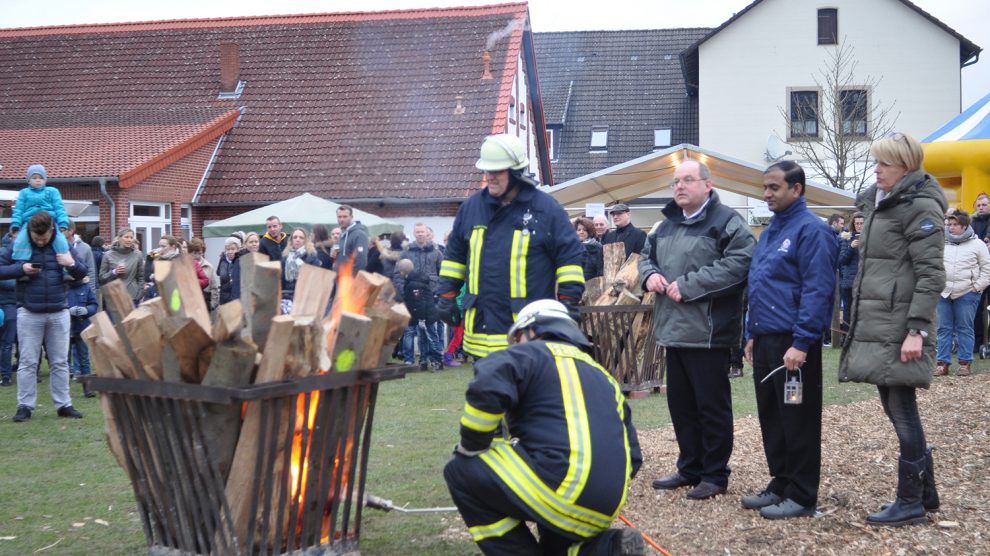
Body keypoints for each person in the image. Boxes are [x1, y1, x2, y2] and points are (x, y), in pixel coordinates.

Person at [443, 299, 643, 556]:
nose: (516, 345)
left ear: (532, 330)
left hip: (561, 489)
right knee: (555, 536)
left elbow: (487, 386)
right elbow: (634, 457)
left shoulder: (530, 353)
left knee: (460, 471)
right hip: (606, 505)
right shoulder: (604, 377)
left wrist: (471, 445)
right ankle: (607, 547)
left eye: (517, 338)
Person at [838, 132, 946, 527]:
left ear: (905, 166)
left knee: (902, 411)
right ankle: (925, 494)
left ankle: (910, 501)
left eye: (884, 163)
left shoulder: (919, 207)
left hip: (901, 326)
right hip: (883, 323)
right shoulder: (885, 202)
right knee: (896, 407)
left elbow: (931, 274)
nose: (876, 170)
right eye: (876, 162)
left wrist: (916, 329)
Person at [639, 158, 755, 500]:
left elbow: (740, 263)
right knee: (682, 406)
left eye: (687, 180)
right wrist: (650, 275)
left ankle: (715, 473)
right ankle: (689, 467)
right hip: (672, 329)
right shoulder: (664, 225)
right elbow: (646, 256)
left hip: (708, 332)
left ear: (707, 184)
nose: (679, 187)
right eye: (676, 181)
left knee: (711, 407)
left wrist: (689, 285)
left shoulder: (728, 222)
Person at [741, 161, 837, 519]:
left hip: (793, 343)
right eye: (765, 188)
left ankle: (802, 493)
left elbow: (817, 290)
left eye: (774, 188)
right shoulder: (769, 231)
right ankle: (780, 481)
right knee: (772, 415)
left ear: (796, 189)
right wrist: (752, 333)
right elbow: (760, 282)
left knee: (798, 417)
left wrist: (802, 342)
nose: (767, 194)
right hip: (766, 339)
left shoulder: (813, 231)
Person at [437, 133, 585, 357]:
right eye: (486, 171)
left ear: (516, 173)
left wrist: (568, 302)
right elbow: (454, 259)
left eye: (496, 171)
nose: (489, 177)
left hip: (528, 332)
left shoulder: (546, 210)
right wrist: (447, 296)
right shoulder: (471, 208)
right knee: (485, 391)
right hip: (480, 331)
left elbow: (570, 260)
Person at [1, 212, 88, 422]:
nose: (40, 241)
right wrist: (20, 268)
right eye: (36, 238)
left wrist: (71, 264)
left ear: (52, 231)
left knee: (59, 362)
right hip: (29, 311)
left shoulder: (62, 244)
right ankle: (25, 406)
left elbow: (83, 272)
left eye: (44, 237)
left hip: (59, 310)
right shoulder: (19, 245)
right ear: (29, 232)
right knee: (27, 362)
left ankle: (64, 404)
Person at [935, 210, 990, 377]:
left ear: (964, 226)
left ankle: (965, 363)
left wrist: (977, 287)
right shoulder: (941, 243)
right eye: (949, 224)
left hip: (967, 292)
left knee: (965, 328)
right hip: (943, 292)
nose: (950, 227)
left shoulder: (978, 244)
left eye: (954, 224)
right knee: (943, 329)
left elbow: (987, 268)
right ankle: (942, 363)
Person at [395, 223, 444, 365]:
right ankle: (409, 360)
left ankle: (431, 358)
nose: (420, 234)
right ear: (414, 233)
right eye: (418, 232)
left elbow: (444, 273)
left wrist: (438, 290)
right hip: (411, 297)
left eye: (422, 232)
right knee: (410, 329)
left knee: (430, 329)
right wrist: (403, 292)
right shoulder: (406, 252)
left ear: (426, 233)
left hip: (430, 296)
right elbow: (398, 274)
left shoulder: (436, 253)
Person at [10, 165, 71, 265]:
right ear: (28, 180)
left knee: (61, 241)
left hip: (49, 222)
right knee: (20, 241)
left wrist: (63, 223)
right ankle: (21, 264)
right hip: (30, 223)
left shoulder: (52, 191)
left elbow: (59, 208)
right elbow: (18, 210)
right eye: (34, 178)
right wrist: (16, 225)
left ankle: (65, 266)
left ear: (45, 180)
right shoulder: (24, 193)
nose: (38, 180)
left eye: (41, 178)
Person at [396, 258, 443, 371]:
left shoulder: (413, 284)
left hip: (425, 316)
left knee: (431, 338)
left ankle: (437, 361)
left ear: (402, 272)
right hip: (422, 315)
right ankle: (423, 361)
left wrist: (421, 319)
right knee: (422, 339)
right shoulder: (415, 280)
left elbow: (420, 302)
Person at [67, 272, 98, 397]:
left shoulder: (86, 288)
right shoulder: (63, 287)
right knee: (64, 360)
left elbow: (94, 304)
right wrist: (67, 310)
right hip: (66, 327)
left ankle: (88, 389)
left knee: (84, 358)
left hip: (82, 326)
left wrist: (87, 310)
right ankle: (65, 390)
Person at [99, 228, 145, 306]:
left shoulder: (138, 255)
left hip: (132, 296)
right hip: (114, 296)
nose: (129, 240)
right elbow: (101, 277)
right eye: (126, 237)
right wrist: (114, 272)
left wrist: (139, 294)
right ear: (119, 238)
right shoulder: (108, 255)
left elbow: (141, 277)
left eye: (131, 237)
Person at [838, 212, 865, 338]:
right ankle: (846, 337)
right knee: (848, 310)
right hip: (849, 281)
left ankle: (860, 336)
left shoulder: (869, 237)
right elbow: (842, 260)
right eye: (857, 223)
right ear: (853, 224)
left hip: (865, 281)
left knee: (862, 310)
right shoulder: (846, 237)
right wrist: (851, 247)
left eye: (861, 223)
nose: (859, 226)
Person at [970, 193, 990, 356]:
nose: (982, 207)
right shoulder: (972, 223)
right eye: (979, 205)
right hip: (978, 271)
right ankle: (976, 343)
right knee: (976, 308)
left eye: (984, 204)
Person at [280, 228, 318, 314]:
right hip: (285, 295)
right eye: (295, 237)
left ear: (305, 240)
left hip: (304, 297)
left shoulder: (311, 257)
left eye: (301, 237)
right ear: (291, 240)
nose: (298, 239)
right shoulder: (285, 257)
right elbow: (281, 279)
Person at [335, 205, 369, 273]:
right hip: (340, 278)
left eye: (345, 216)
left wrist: (351, 277)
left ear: (351, 217)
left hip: (350, 280)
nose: (342, 219)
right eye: (339, 217)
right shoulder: (342, 234)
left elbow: (361, 261)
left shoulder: (359, 234)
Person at [188, 238, 218, 312]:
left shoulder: (208, 266)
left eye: (200, 253)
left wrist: (213, 304)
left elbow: (214, 287)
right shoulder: (186, 265)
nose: (197, 256)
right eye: (195, 253)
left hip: (205, 302)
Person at [65, 221, 96, 290]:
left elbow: (91, 271)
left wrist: (91, 292)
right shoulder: (55, 246)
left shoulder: (85, 248)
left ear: (70, 231)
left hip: (80, 291)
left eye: (62, 229)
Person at [0, 275, 15, 387]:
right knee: (6, 344)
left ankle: (6, 375)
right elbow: (12, 283)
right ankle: (6, 375)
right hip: (8, 307)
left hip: (9, 307)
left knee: (6, 344)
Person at [217, 236, 241, 306]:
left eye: (233, 249)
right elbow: (218, 273)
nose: (230, 251)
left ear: (238, 249)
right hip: (225, 300)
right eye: (228, 249)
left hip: (238, 300)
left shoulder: (241, 260)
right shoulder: (222, 261)